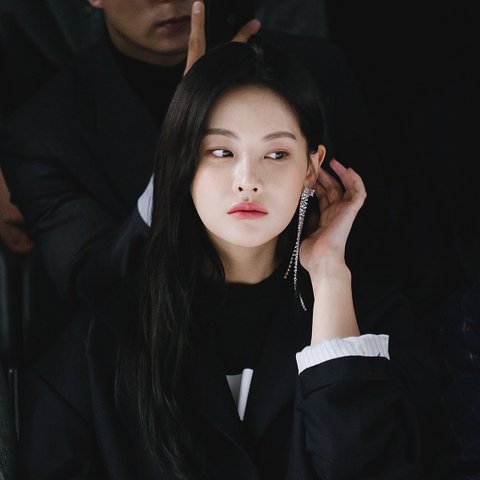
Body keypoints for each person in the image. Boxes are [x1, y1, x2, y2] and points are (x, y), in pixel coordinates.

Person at [20, 41, 434, 480]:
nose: (248, 180)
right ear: (182, 161)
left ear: (311, 168)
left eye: (276, 154)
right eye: (221, 152)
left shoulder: (370, 321)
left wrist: (329, 272)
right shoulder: (103, 338)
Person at [0, 0, 386, 314]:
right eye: (219, 150)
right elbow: (96, 288)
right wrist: (185, 128)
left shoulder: (318, 71)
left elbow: (376, 244)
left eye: (276, 152)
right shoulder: (42, 134)